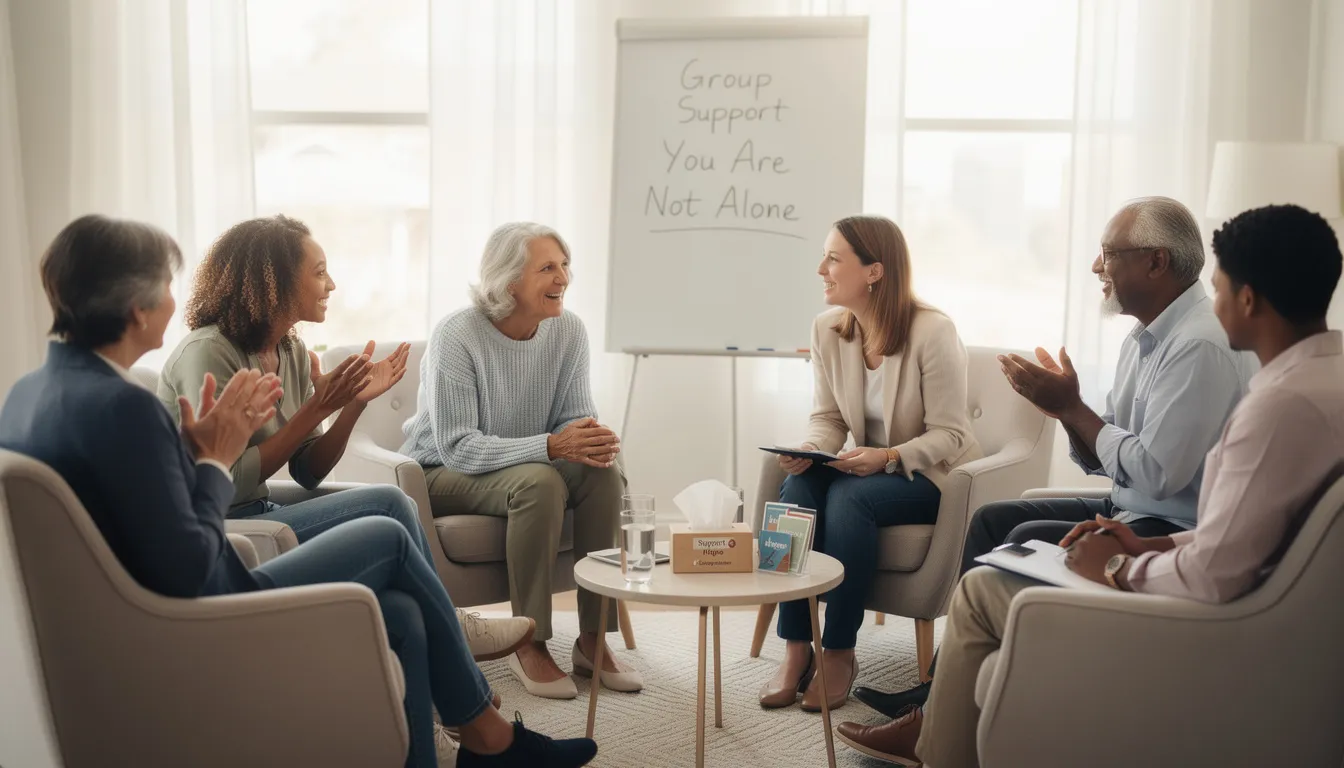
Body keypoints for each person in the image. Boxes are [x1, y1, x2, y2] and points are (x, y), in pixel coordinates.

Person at [0, 214, 599, 768]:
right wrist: (213, 460)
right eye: (163, 285)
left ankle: (458, 747)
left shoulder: (31, 393)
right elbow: (189, 559)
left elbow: (155, 505)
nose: (171, 299)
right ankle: (492, 737)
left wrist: (209, 449)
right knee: (389, 532)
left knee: (403, 614)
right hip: (196, 607)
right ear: (136, 308)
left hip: (142, 605)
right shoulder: (121, 406)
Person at [833, 203, 1344, 766]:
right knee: (998, 523)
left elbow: (1184, 516)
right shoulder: (1314, 378)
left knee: (991, 578)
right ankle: (940, 700)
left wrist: (1118, 564)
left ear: (1245, 300)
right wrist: (1072, 416)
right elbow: (1212, 513)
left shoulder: (1244, 381)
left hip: (1193, 575)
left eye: (1219, 288)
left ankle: (938, 730)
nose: (1098, 266)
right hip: (1166, 529)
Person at [155, 215, 529, 662]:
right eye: (318, 272)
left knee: (395, 517)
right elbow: (226, 482)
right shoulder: (210, 352)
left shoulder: (290, 352)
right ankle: (450, 624)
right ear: (273, 282)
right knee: (389, 504)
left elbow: (308, 470)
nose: (330, 284)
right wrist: (318, 406)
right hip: (221, 524)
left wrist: (353, 402)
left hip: (262, 507)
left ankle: (435, 660)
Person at [758, 215, 982, 714]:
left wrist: (888, 456)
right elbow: (828, 417)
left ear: (875, 271)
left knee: (849, 498)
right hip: (864, 465)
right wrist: (809, 451)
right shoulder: (828, 329)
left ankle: (838, 650)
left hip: (928, 473)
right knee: (794, 493)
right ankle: (797, 647)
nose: (821, 268)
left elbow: (952, 434)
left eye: (834, 258)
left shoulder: (933, 331)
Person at [401, 221, 634, 700]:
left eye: (565, 265)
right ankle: (531, 640)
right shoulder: (456, 335)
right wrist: (550, 447)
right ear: (509, 282)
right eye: (548, 267)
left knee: (603, 476)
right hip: (438, 472)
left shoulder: (567, 331)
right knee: (540, 483)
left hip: (524, 463)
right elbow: (457, 445)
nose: (563, 278)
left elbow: (574, 420)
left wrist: (593, 444)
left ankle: (593, 638)